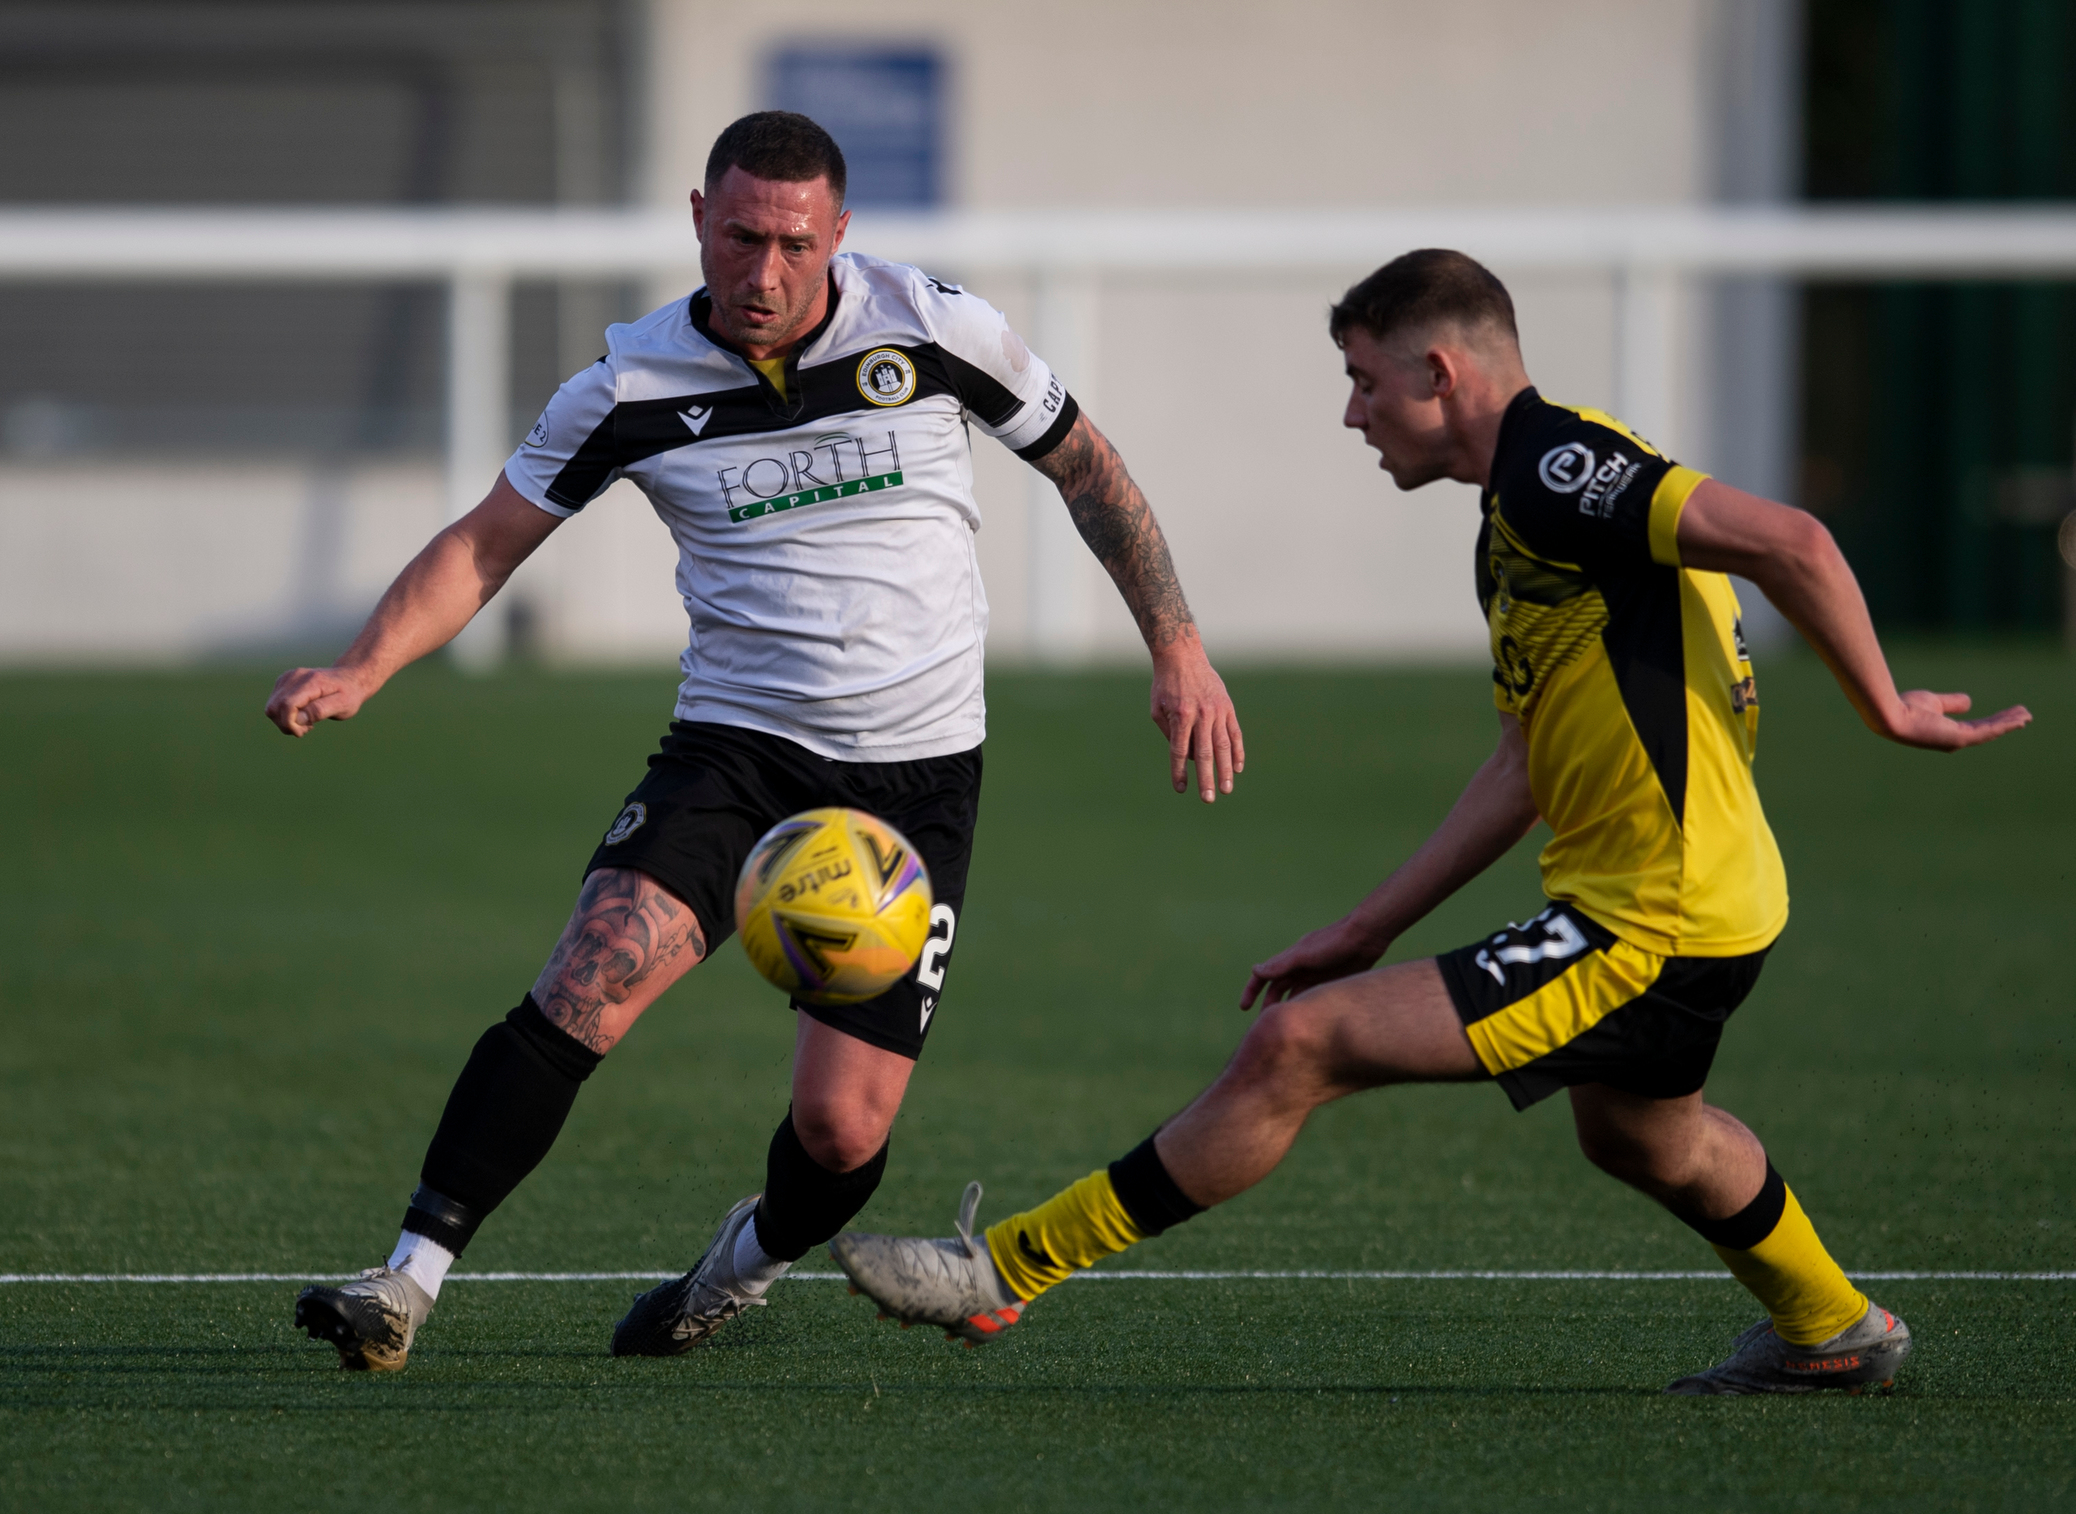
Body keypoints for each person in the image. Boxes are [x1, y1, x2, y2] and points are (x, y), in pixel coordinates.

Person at [829, 248, 2032, 1394]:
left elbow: (1795, 540)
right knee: (1640, 1135)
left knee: (1296, 1048)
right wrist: (1365, 924)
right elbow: (1521, 763)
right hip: (1700, 899)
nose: (1355, 414)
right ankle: (1831, 1325)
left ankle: (1006, 1271)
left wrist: (1883, 707)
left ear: (1439, 374)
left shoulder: (1556, 468)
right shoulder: (1522, 511)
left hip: (1655, 916)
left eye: (1364, 379)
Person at [269, 111, 1244, 1373]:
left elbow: (1088, 468)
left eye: (794, 241)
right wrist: (365, 665)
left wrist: (1176, 644)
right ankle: (405, 1281)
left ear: (840, 232)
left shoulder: (935, 329)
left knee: (841, 1130)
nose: (765, 271)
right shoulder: (626, 385)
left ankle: (742, 1263)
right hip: (737, 752)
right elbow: (482, 542)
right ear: (698, 221)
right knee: (587, 976)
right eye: (740, 237)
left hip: (914, 785)